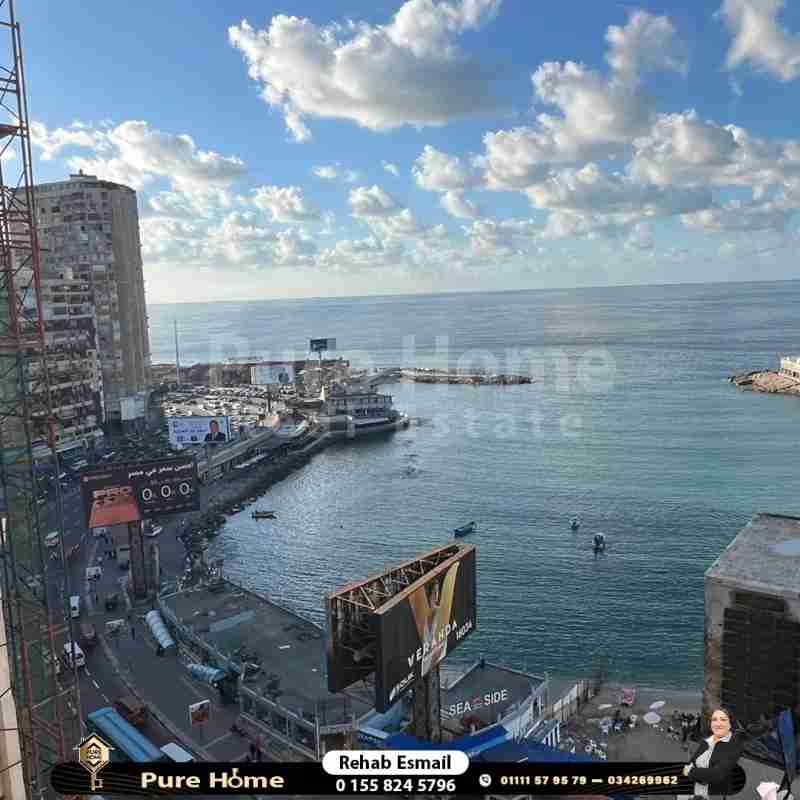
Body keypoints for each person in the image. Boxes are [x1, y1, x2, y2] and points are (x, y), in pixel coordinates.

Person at [682, 707, 744, 797]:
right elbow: (692, 761)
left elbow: (717, 773)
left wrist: (691, 772)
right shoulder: (707, 741)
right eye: (714, 719)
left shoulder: (734, 745)